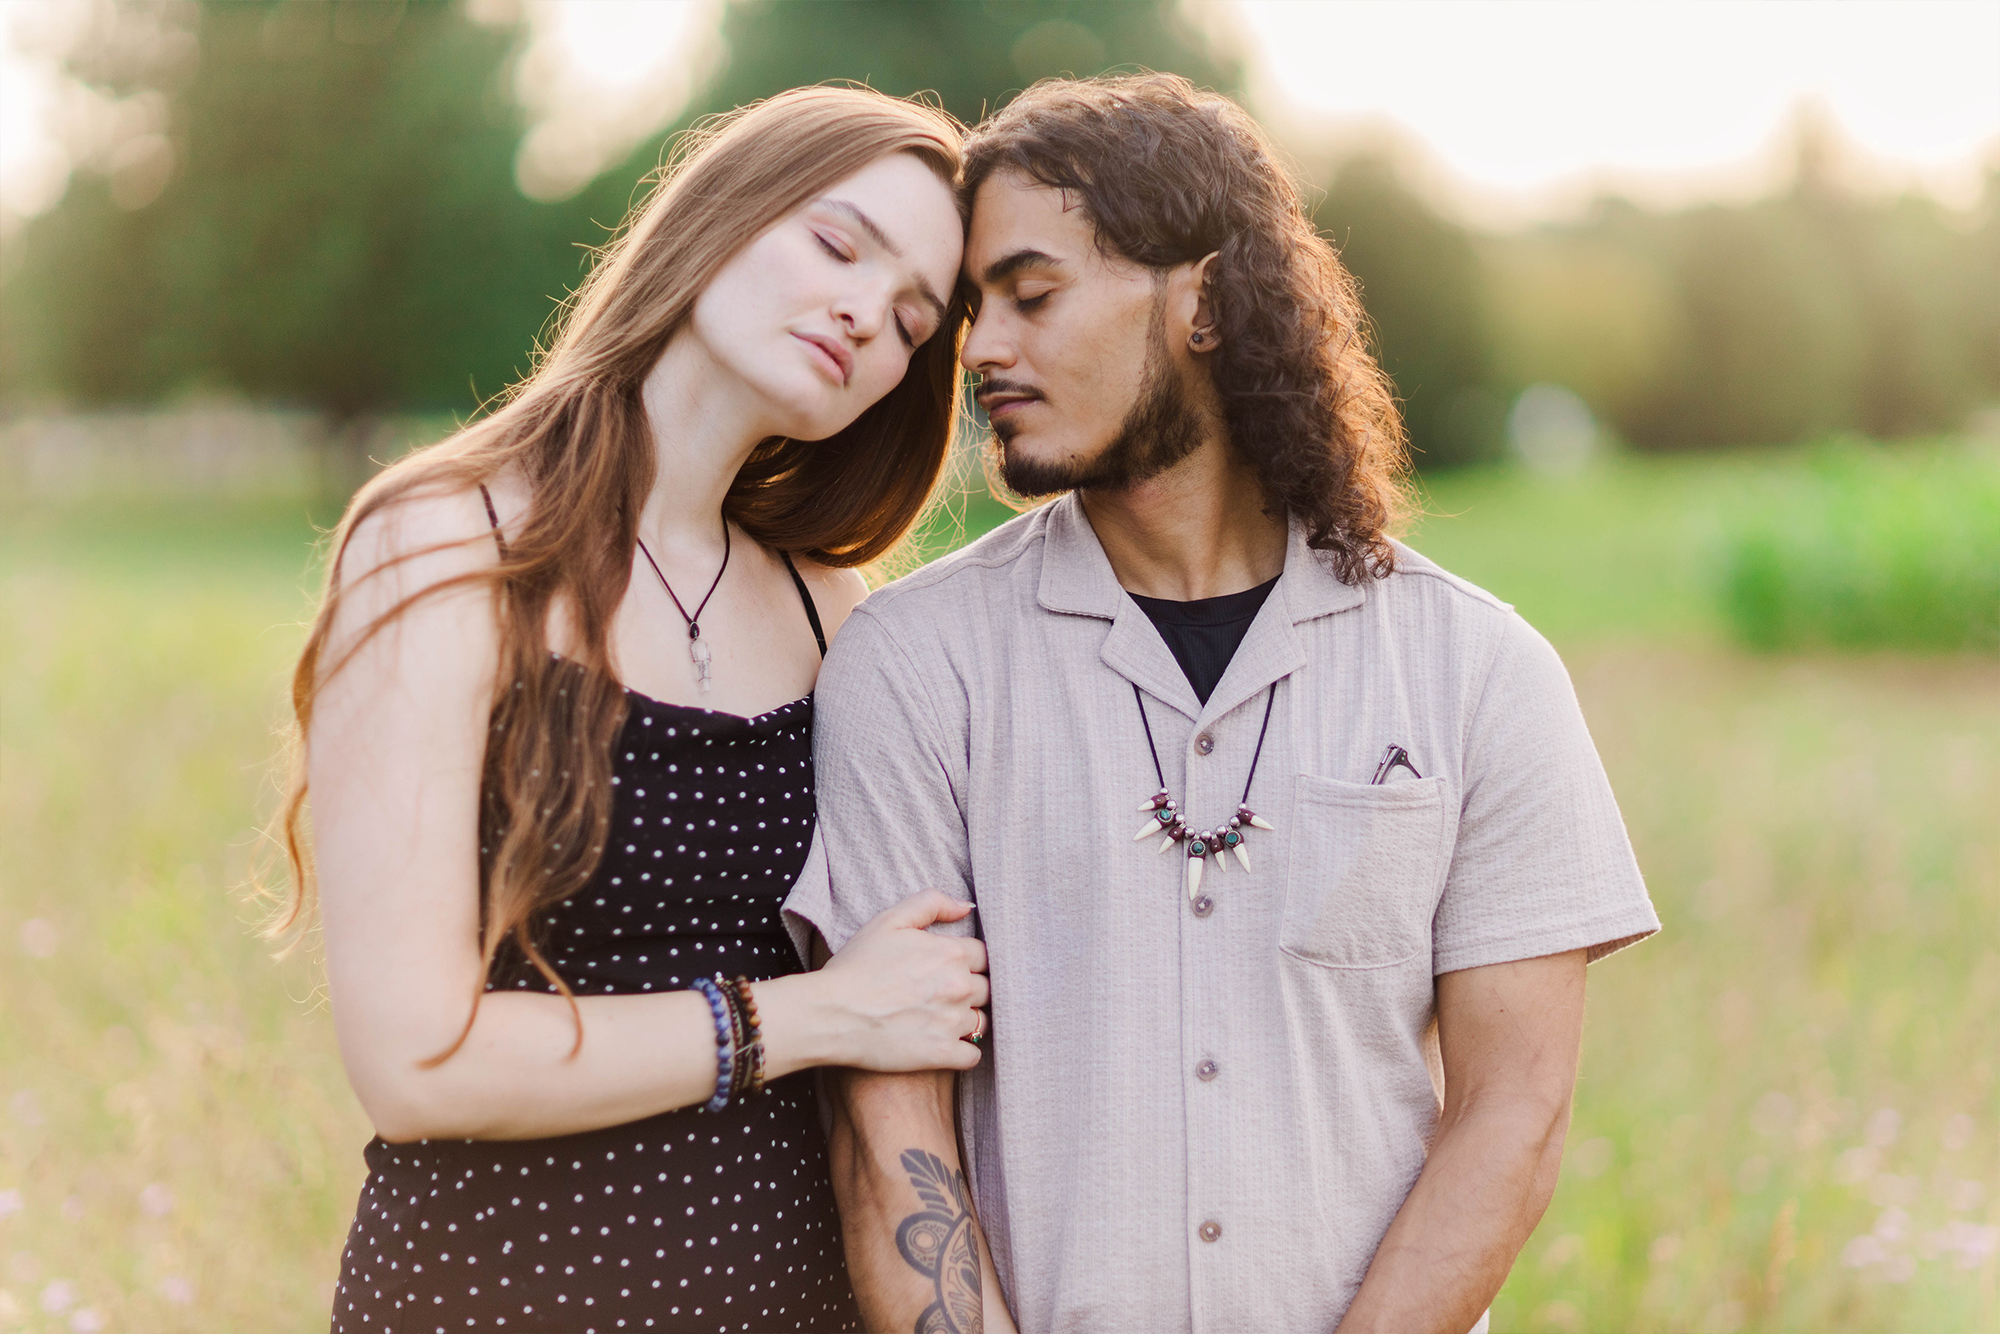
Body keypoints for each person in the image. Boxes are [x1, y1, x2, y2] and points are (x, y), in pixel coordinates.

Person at [788, 74, 1662, 1334]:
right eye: (972, 310)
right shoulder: (914, 666)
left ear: (1200, 299)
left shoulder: (1477, 668)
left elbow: (1510, 1113)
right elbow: (891, 1139)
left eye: (1030, 295)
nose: (976, 349)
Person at [273, 87, 992, 1334]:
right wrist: (808, 1015)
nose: (866, 313)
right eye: (838, 244)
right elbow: (411, 1060)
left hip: (789, 1300)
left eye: (912, 319)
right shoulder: (445, 542)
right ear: (722, 211)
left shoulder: (835, 614)